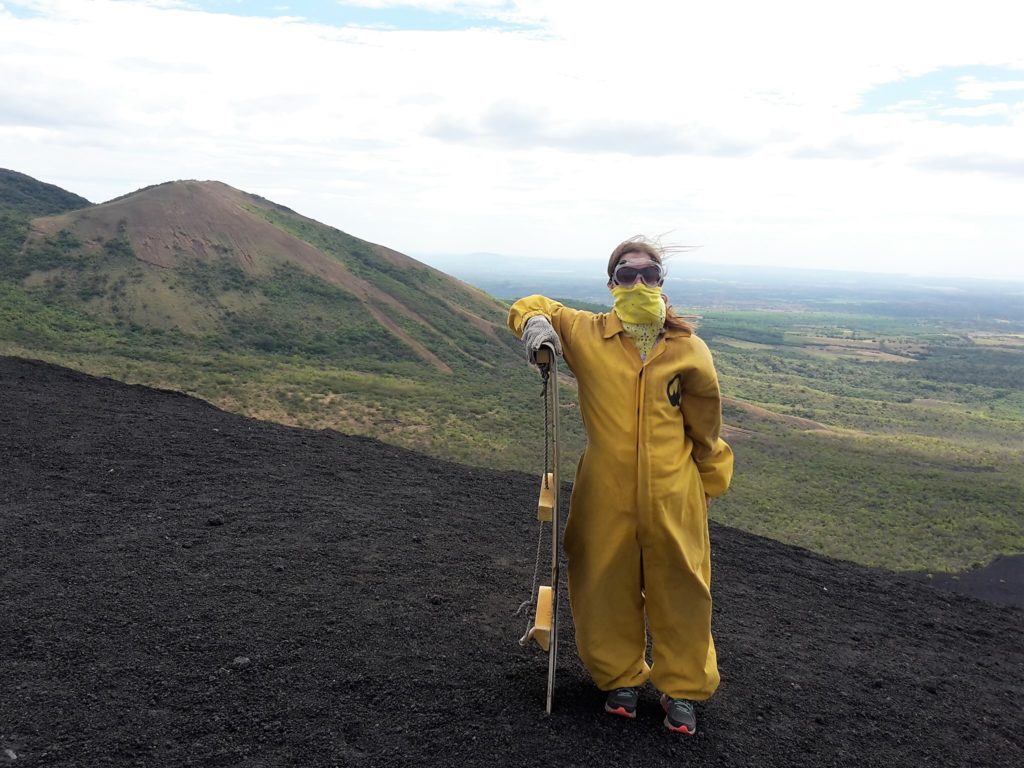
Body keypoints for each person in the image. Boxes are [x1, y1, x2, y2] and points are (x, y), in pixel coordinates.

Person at [507, 236, 733, 735]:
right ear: (611, 284)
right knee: (602, 583)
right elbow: (530, 305)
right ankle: (621, 679)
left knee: (684, 590)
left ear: (661, 283)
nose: (638, 282)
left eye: (649, 273)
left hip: (675, 492)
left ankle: (682, 689)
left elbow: (706, 425)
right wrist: (537, 326)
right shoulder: (588, 334)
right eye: (626, 274)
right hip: (604, 492)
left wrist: (710, 482)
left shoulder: (688, 349)